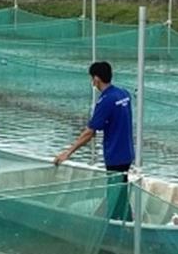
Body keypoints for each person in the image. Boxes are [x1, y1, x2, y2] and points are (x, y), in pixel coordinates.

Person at [53, 61, 135, 218]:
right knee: (121, 189)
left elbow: (90, 132)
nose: (92, 82)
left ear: (96, 79)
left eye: (92, 78)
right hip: (128, 152)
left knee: (114, 193)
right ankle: (128, 222)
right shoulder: (124, 94)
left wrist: (68, 152)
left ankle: (117, 228)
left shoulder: (106, 101)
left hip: (115, 155)